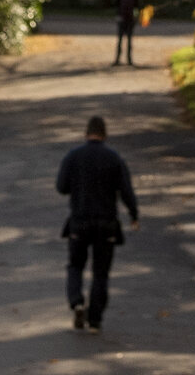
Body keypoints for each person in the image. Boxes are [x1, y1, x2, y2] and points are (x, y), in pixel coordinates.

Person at [55, 114, 139, 333]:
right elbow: (126, 191)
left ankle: (77, 301)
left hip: (79, 221)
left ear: (86, 133)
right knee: (101, 272)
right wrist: (134, 214)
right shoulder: (114, 158)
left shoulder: (74, 157)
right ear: (105, 134)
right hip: (106, 224)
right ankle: (95, 320)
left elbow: (61, 187)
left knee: (75, 265)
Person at [111, 0, 140, 68]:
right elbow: (137, 6)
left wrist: (118, 15)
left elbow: (116, 4)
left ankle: (117, 59)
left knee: (120, 40)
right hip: (130, 19)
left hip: (122, 18)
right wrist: (135, 16)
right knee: (129, 40)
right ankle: (129, 60)